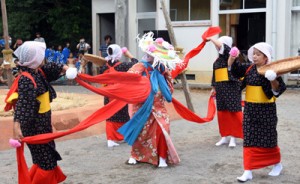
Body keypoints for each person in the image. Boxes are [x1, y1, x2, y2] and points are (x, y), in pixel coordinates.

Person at [118, 32, 181, 167]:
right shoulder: (139, 66)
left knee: (162, 130)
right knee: (140, 131)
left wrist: (161, 76)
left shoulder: (163, 69)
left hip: (158, 106)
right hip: (141, 105)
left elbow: (169, 89)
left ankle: (162, 158)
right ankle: (135, 155)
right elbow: (129, 81)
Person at [228, 42, 286, 182]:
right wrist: (232, 57)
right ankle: (248, 170)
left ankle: (277, 165)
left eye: (258, 54)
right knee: (248, 138)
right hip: (250, 110)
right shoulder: (249, 69)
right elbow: (234, 70)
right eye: (253, 53)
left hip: (266, 111)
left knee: (269, 140)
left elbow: (277, 90)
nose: (254, 57)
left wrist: (273, 79)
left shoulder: (272, 69)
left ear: (266, 57)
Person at [12, 41, 68, 183]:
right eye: (41, 55)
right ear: (34, 60)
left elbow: (50, 68)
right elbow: (23, 104)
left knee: (43, 159)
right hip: (35, 128)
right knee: (47, 161)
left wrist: (64, 67)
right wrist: (17, 125)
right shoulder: (26, 79)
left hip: (43, 125)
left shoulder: (38, 71)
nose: (43, 58)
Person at [84, 44, 139, 147]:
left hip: (108, 94)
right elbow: (136, 64)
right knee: (123, 114)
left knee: (110, 114)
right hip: (120, 94)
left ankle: (111, 138)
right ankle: (121, 136)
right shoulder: (122, 66)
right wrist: (128, 54)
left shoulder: (104, 67)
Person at [207, 36, 243, 147]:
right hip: (221, 89)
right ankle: (224, 136)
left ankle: (233, 137)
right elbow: (215, 76)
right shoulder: (217, 61)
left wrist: (211, 39)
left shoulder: (230, 56)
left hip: (231, 88)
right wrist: (213, 88)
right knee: (222, 113)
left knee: (233, 112)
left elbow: (222, 46)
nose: (217, 46)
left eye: (220, 44)